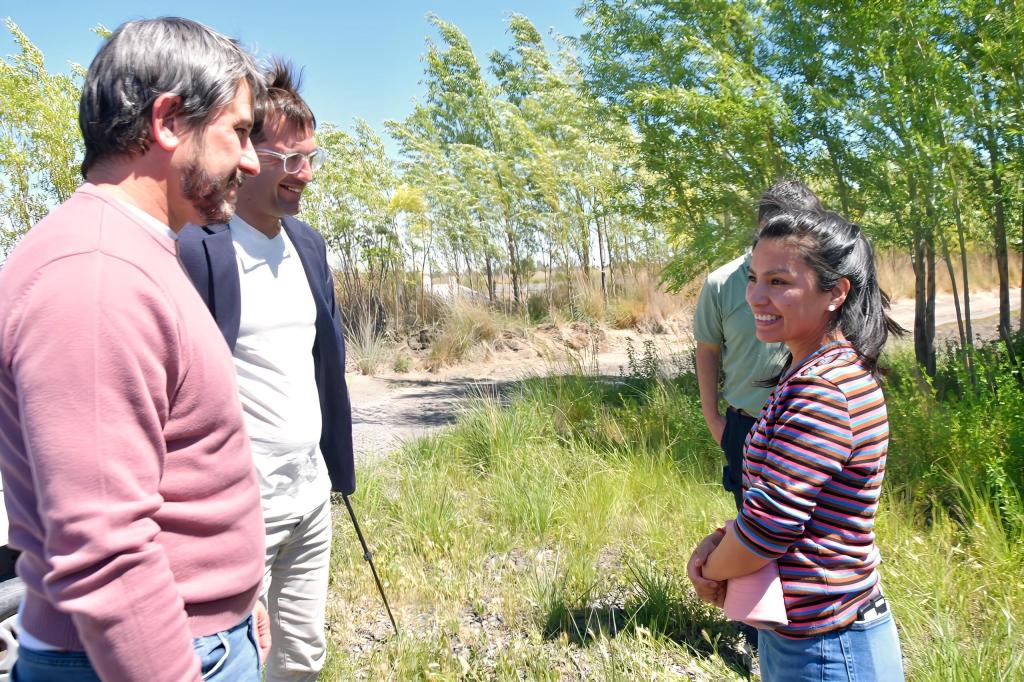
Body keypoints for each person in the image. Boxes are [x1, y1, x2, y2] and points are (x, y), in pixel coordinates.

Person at [0, 18, 270, 682]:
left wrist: (237, 603)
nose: (253, 160)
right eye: (237, 132)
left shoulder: (130, 252)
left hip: (198, 639)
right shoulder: (94, 275)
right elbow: (106, 554)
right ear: (170, 120)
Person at [178, 59, 355, 682]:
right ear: (248, 155)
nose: (304, 174)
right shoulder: (198, 248)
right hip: (238, 507)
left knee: (302, 659)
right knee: (234, 661)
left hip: (309, 494)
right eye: (288, 159)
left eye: (312, 157)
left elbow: (321, 362)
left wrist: (333, 464)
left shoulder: (308, 244)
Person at [687, 209, 905, 681]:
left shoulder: (822, 390)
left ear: (836, 292)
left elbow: (768, 531)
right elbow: (782, 506)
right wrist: (725, 541)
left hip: (828, 650)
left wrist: (707, 568)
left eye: (779, 281)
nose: (756, 297)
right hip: (813, 636)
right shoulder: (816, 370)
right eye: (753, 278)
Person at [694, 180, 823, 511]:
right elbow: (707, 349)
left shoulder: (822, 285)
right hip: (745, 426)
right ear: (760, 228)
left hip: (810, 423)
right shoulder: (720, 284)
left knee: (812, 530)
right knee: (753, 529)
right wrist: (714, 420)